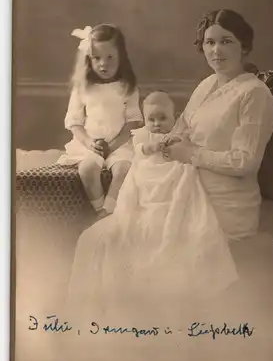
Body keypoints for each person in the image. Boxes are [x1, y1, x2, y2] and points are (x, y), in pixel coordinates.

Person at [65, 90, 239, 327]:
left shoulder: (179, 137)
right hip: (144, 196)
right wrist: (157, 145)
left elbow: (186, 154)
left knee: (182, 190)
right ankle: (110, 316)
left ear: (173, 117)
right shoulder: (143, 139)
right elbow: (143, 152)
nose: (157, 124)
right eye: (152, 120)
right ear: (145, 121)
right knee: (105, 238)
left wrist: (174, 142)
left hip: (170, 191)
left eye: (162, 119)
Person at [163, 9, 273, 241]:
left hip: (226, 206)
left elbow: (245, 161)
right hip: (189, 190)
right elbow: (181, 128)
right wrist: (172, 142)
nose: (216, 50)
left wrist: (191, 153)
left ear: (243, 47)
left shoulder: (254, 93)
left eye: (226, 41)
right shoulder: (206, 84)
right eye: (210, 42)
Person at [57, 24, 143, 218]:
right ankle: (99, 209)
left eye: (110, 57)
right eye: (97, 58)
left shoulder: (127, 87)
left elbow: (133, 122)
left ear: (121, 56)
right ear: (89, 59)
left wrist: (113, 145)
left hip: (119, 144)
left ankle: (109, 209)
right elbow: (75, 122)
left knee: (124, 169)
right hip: (90, 144)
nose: (103, 64)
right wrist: (89, 143)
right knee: (87, 169)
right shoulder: (83, 88)